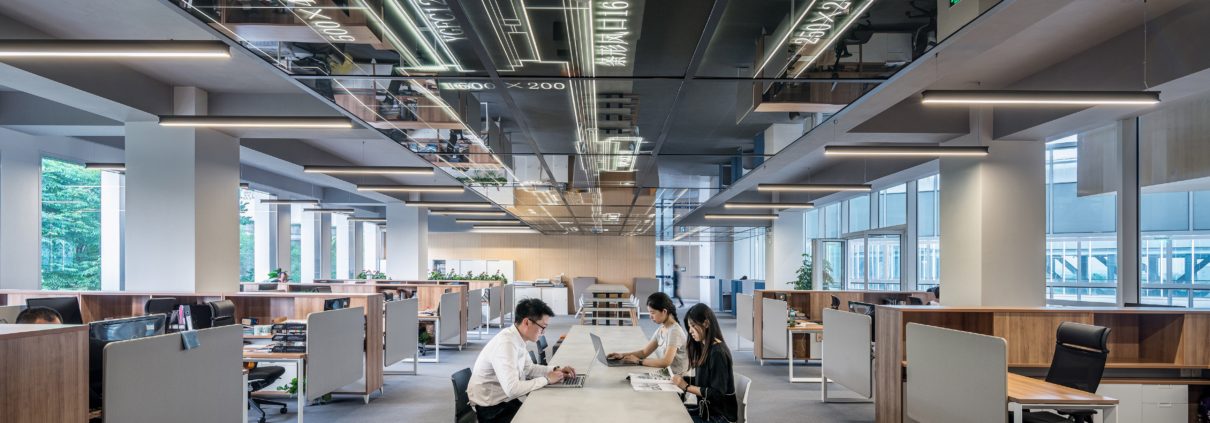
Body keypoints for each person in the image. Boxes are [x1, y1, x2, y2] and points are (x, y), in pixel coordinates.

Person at [467, 299, 577, 423]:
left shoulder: (517, 338)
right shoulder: (506, 344)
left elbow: (529, 368)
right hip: (492, 410)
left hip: (506, 400)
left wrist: (556, 370)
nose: (543, 332)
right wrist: (547, 379)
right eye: (542, 327)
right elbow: (512, 389)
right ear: (526, 322)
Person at [671, 304, 737, 423]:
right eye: (689, 326)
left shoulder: (718, 353)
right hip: (706, 410)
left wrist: (686, 386)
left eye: (693, 325)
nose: (690, 331)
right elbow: (706, 381)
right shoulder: (705, 347)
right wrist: (683, 379)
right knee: (672, 412)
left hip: (719, 417)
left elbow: (717, 393)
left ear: (706, 323)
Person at [607, 292, 689, 375]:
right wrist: (622, 355)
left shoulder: (675, 331)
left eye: (652, 313)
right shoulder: (662, 329)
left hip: (677, 379)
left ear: (664, 311)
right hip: (666, 374)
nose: (650, 316)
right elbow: (644, 352)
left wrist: (639, 361)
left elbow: (666, 362)